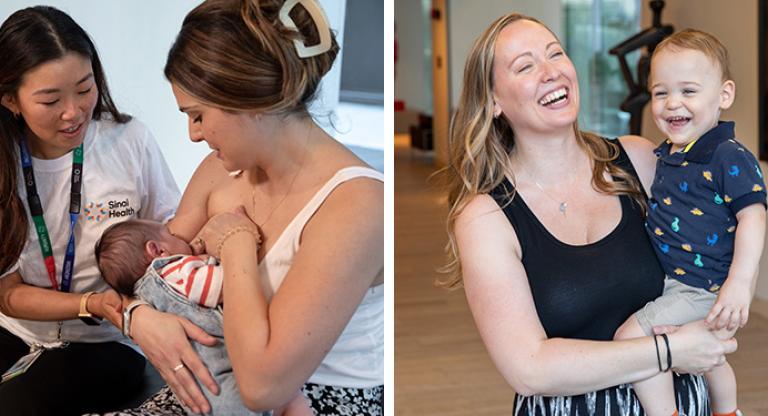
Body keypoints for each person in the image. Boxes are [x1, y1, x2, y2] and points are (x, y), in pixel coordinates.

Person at [441, 12, 738, 415]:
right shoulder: (485, 217)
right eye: (525, 66)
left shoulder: (640, 162)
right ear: (494, 101)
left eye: (555, 54)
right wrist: (668, 350)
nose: (550, 72)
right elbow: (529, 369)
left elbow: (709, 257)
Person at [110, 0, 384, 415]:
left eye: (198, 115)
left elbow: (262, 387)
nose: (192, 135)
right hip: (213, 384)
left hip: (316, 399)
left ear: (246, 99)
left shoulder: (357, 205)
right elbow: (148, 270)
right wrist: (137, 316)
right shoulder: (216, 173)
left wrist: (236, 246)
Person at [0, 6, 180, 415]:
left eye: (84, 88)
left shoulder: (128, 139)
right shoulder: (5, 162)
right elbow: (7, 295)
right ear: (10, 99)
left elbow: (175, 232)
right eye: (50, 99)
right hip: (15, 328)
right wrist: (89, 303)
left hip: (107, 341)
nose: (73, 111)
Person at [613, 29, 766, 416]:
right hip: (678, 283)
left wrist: (739, 285)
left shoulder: (727, 155)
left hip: (699, 287)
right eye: (661, 93)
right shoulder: (669, 153)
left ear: (724, 96)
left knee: (632, 340)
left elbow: (753, 216)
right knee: (713, 361)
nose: (672, 103)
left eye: (688, 91)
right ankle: (728, 412)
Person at [95, 218, 313, 416]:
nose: (181, 238)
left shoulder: (145, 291)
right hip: (230, 385)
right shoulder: (174, 270)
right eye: (172, 235)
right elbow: (225, 286)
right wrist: (232, 250)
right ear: (157, 250)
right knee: (290, 400)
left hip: (202, 395)